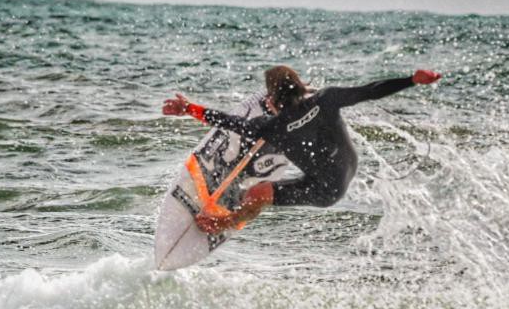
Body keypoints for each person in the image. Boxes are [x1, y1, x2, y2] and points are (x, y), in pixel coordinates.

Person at [163, 66, 441, 233]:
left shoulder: (270, 126)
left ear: (272, 100)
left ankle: (226, 222)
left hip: (325, 191)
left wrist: (189, 108)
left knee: (255, 194)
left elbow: (229, 122)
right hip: (347, 167)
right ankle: (257, 168)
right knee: (275, 147)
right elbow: (370, 90)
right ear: (301, 86)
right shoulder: (327, 98)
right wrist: (411, 80)